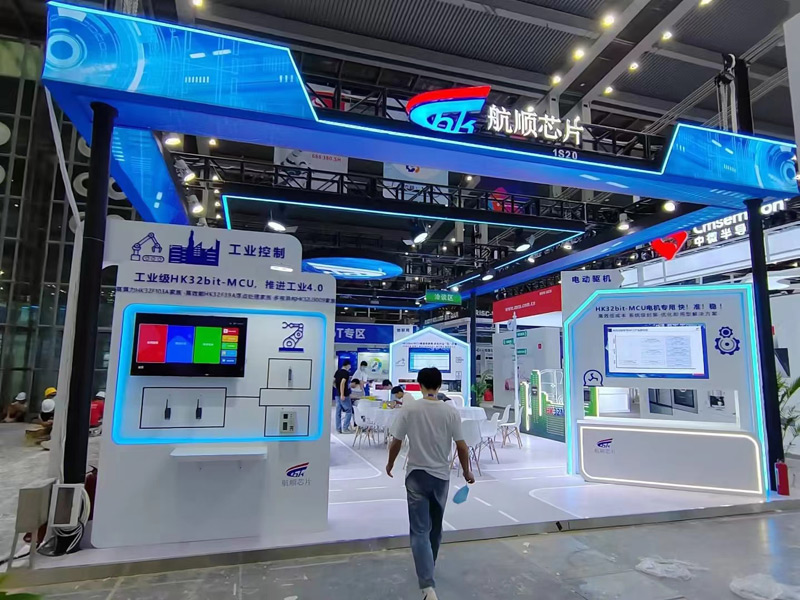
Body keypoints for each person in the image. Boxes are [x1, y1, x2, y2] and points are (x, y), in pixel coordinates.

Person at [387, 368, 474, 600]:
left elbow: (396, 441)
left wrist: (390, 463)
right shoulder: (450, 411)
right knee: (435, 529)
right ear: (440, 384)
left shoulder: (409, 409)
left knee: (419, 530)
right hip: (441, 478)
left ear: (419, 384)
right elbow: (462, 446)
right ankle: (429, 568)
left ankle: (427, 586)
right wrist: (467, 471)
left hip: (416, 475)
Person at [333, 360, 353, 433]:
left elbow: (334, 382)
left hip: (337, 394)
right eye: (349, 366)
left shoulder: (337, 372)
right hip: (344, 394)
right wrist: (342, 394)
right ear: (347, 365)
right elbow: (342, 383)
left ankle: (338, 429)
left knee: (338, 412)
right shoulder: (346, 373)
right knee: (348, 411)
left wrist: (337, 389)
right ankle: (345, 428)